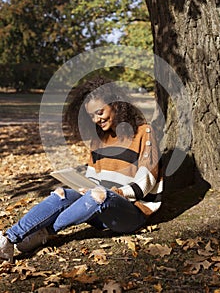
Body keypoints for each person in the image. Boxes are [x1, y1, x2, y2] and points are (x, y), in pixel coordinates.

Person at [0, 76, 163, 262]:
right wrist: (83, 187)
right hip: (99, 209)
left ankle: (44, 232)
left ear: (116, 105)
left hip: (132, 213)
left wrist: (112, 192)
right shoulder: (99, 139)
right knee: (62, 194)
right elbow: (93, 178)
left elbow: (146, 182)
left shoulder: (144, 132)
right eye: (92, 115)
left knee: (100, 195)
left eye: (100, 112)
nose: (96, 120)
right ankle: (8, 240)